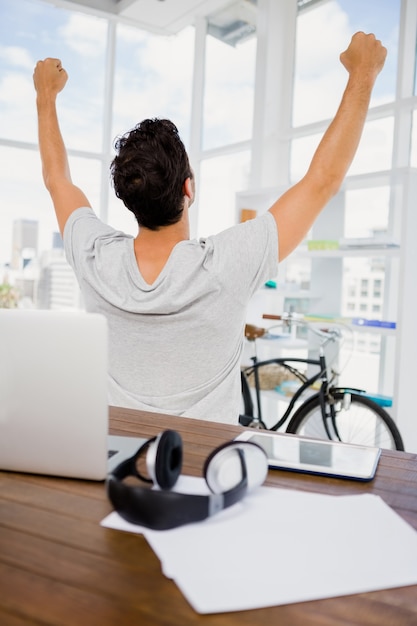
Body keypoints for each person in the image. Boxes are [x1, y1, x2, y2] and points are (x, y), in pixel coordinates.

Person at [33, 32, 386, 424]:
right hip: (208, 474)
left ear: (128, 198)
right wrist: (363, 73)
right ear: (189, 187)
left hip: (120, 469)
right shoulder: (227, 263)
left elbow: (56, 178)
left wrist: (46, 95)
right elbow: (323, 180)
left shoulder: (95, 257)